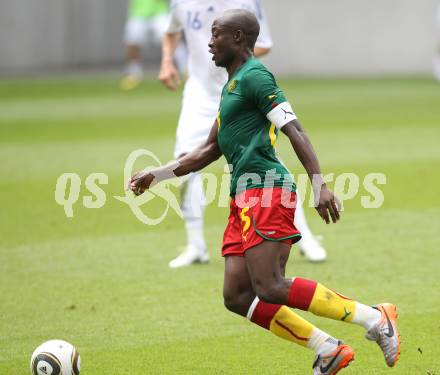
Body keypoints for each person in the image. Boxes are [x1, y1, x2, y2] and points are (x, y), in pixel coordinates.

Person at [129, 9, 401, 373]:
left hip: (268, 190)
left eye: (216, 34)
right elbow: (208, 150)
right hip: (243, 198)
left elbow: (296, 130)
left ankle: (374, 318)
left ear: (238, 38)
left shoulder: (256, 77)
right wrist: (157, 175)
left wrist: (320, 185)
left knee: (270, 286)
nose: (208, 42)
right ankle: (327, 349)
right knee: (237, 295)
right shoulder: (231, 87)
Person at [159, 0, 326, 268]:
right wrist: (167, 61)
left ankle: (304, 236)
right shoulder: (181, 3)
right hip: (200, 95)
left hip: (241, 88)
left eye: (216, 36)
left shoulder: (245, 5)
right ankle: (195, 245)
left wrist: (236, 60)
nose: (209, 43)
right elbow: (171, 32)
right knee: (185, 159)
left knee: (264, 159)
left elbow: (263, 43)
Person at [121, 0, 185, 90]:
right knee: (132, 43)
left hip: (159, 12)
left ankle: (185, 69)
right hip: (138, 13)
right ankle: (134, 74)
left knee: (171, 37)